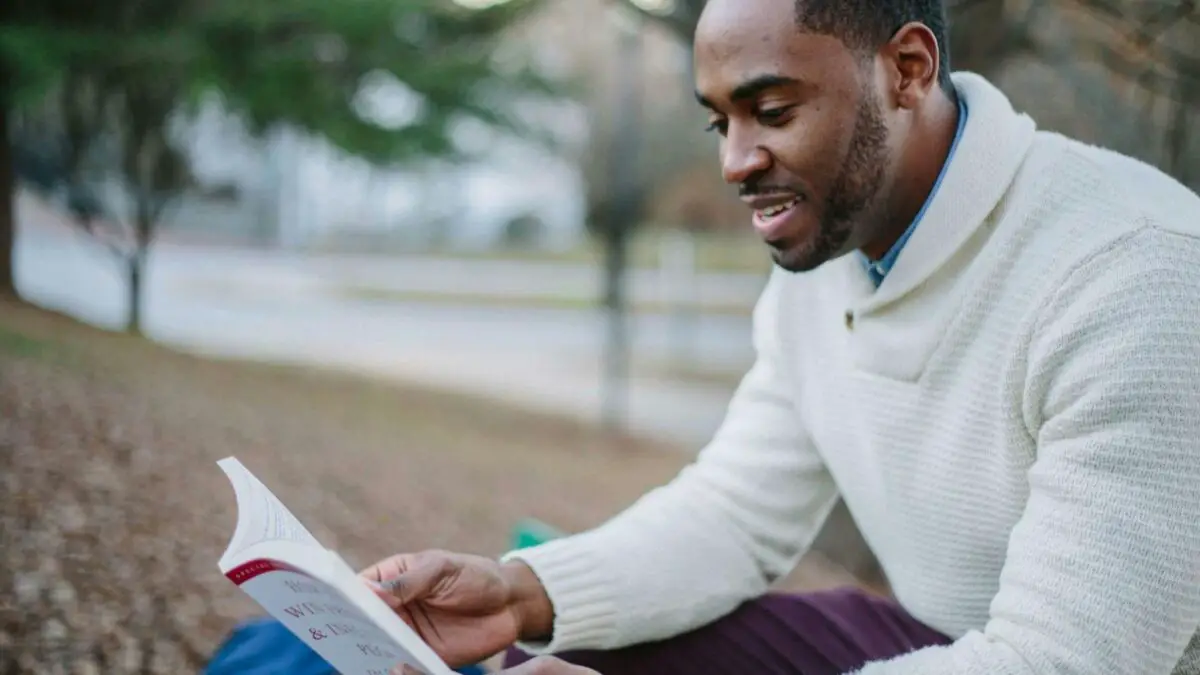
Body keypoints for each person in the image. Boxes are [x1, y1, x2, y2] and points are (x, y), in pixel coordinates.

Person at [366, 0, 1200, 672]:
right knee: (573, 651)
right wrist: (519, 593)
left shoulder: (1134, 276)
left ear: (907, 70)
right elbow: (733, 514)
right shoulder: (834, 249)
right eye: (718, 122)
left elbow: (1059, 661)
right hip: (938, 639)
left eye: (770, 111)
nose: (734, 161)